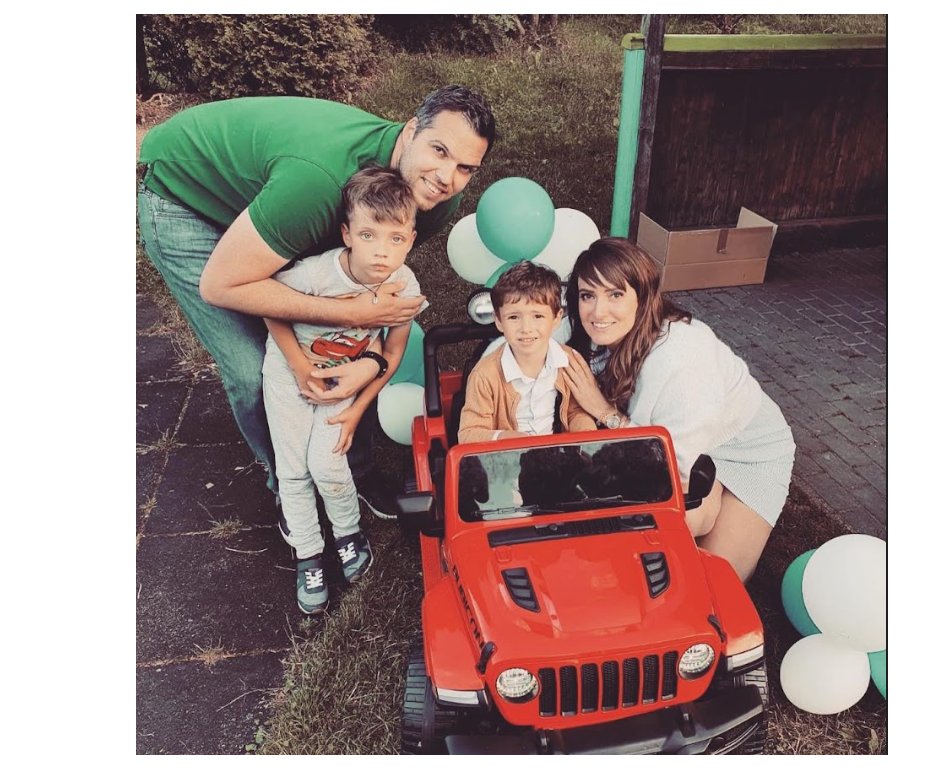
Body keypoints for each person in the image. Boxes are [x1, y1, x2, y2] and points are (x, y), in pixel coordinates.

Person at [136, 86, 496, 508]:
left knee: (341, 345)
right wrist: (347, 315)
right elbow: (222, 285)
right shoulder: (318, 185)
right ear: (411, 130)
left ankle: (353, 471)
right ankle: (293, 490)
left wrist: (370, 357)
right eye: (439, 151)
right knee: (254, 371)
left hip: (276, 200)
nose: (447, 178)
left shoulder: (431, 198)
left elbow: (363, 290)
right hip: (184, 194)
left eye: (465, 168)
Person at [562, 238, 795, 581]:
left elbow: (667, 465)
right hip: (694, 439)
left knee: (715, 584)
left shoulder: (680, 358)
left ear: (643, 297)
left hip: (747, 452)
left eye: (615, 294)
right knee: (673, 537)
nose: (598, 312)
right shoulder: (602, 329)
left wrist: (603, 411)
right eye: (587, 295)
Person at [264, 165, 425, 614]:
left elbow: (393, 351)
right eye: (369, 235)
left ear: (411, 240)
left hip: (344, 381)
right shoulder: (318, 273)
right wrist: (299, 366)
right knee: (294, 470)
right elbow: (270, 306)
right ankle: (308, 555)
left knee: (328, 461)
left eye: (396, 238)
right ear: (347, 234)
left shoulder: (404, 285)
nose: (382, 251)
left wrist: (358, 409)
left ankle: (348, 534)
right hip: (289, 374)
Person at [458, 261, 597, 444]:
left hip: (558, 453)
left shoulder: (570, 362)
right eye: (514, 317)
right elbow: (468, 433)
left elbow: (576, 411)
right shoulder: (485, 375)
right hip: (507, 456)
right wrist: (505, 438)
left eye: (538, 316)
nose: (526, 328)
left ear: (556, 318)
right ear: (499, 321)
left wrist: (585, 434)